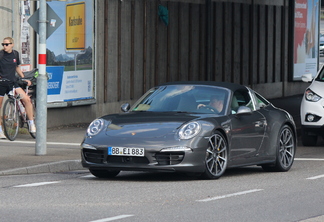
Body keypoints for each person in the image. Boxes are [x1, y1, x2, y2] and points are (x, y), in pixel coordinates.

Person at [0, 37, 36, 139]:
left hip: (13, 83)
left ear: (12, 44)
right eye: (3, 44)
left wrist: (24, 78)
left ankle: (31, 123)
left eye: (7, 44)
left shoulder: (15, 54)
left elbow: (16, 67)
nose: (4, 46)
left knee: (27, 100)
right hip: (2, 83)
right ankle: (0, 130)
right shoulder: (1, 55)